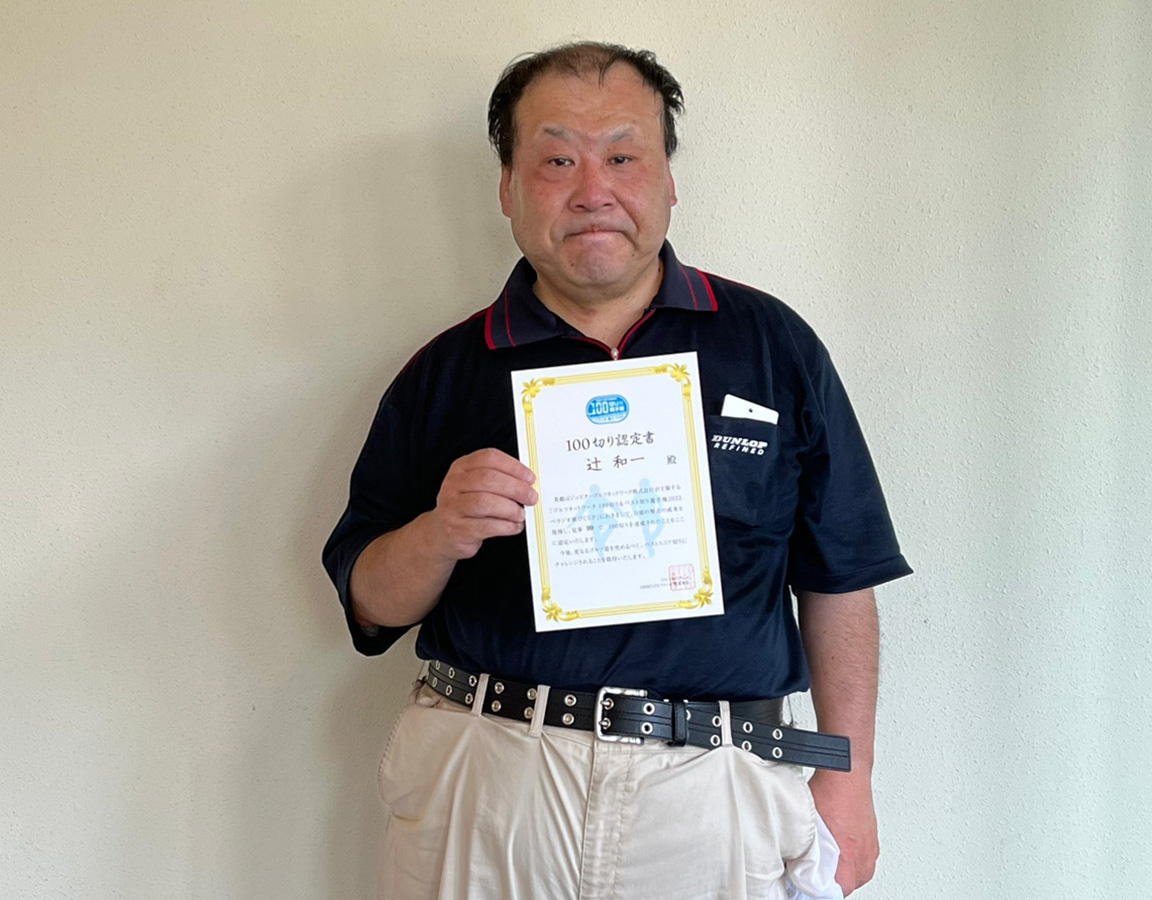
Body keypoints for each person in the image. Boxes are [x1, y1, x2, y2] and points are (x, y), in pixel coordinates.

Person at [324, 41, 911, 900]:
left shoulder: (773, 347)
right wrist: (440, 532)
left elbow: (841, 578)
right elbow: (369, 603)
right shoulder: (443, 373)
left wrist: (848, 778)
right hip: (489, 781)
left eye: (623, 157)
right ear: (508, 188)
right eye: (557, 159)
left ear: (668, 180)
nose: (593, 190)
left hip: (717, 791)